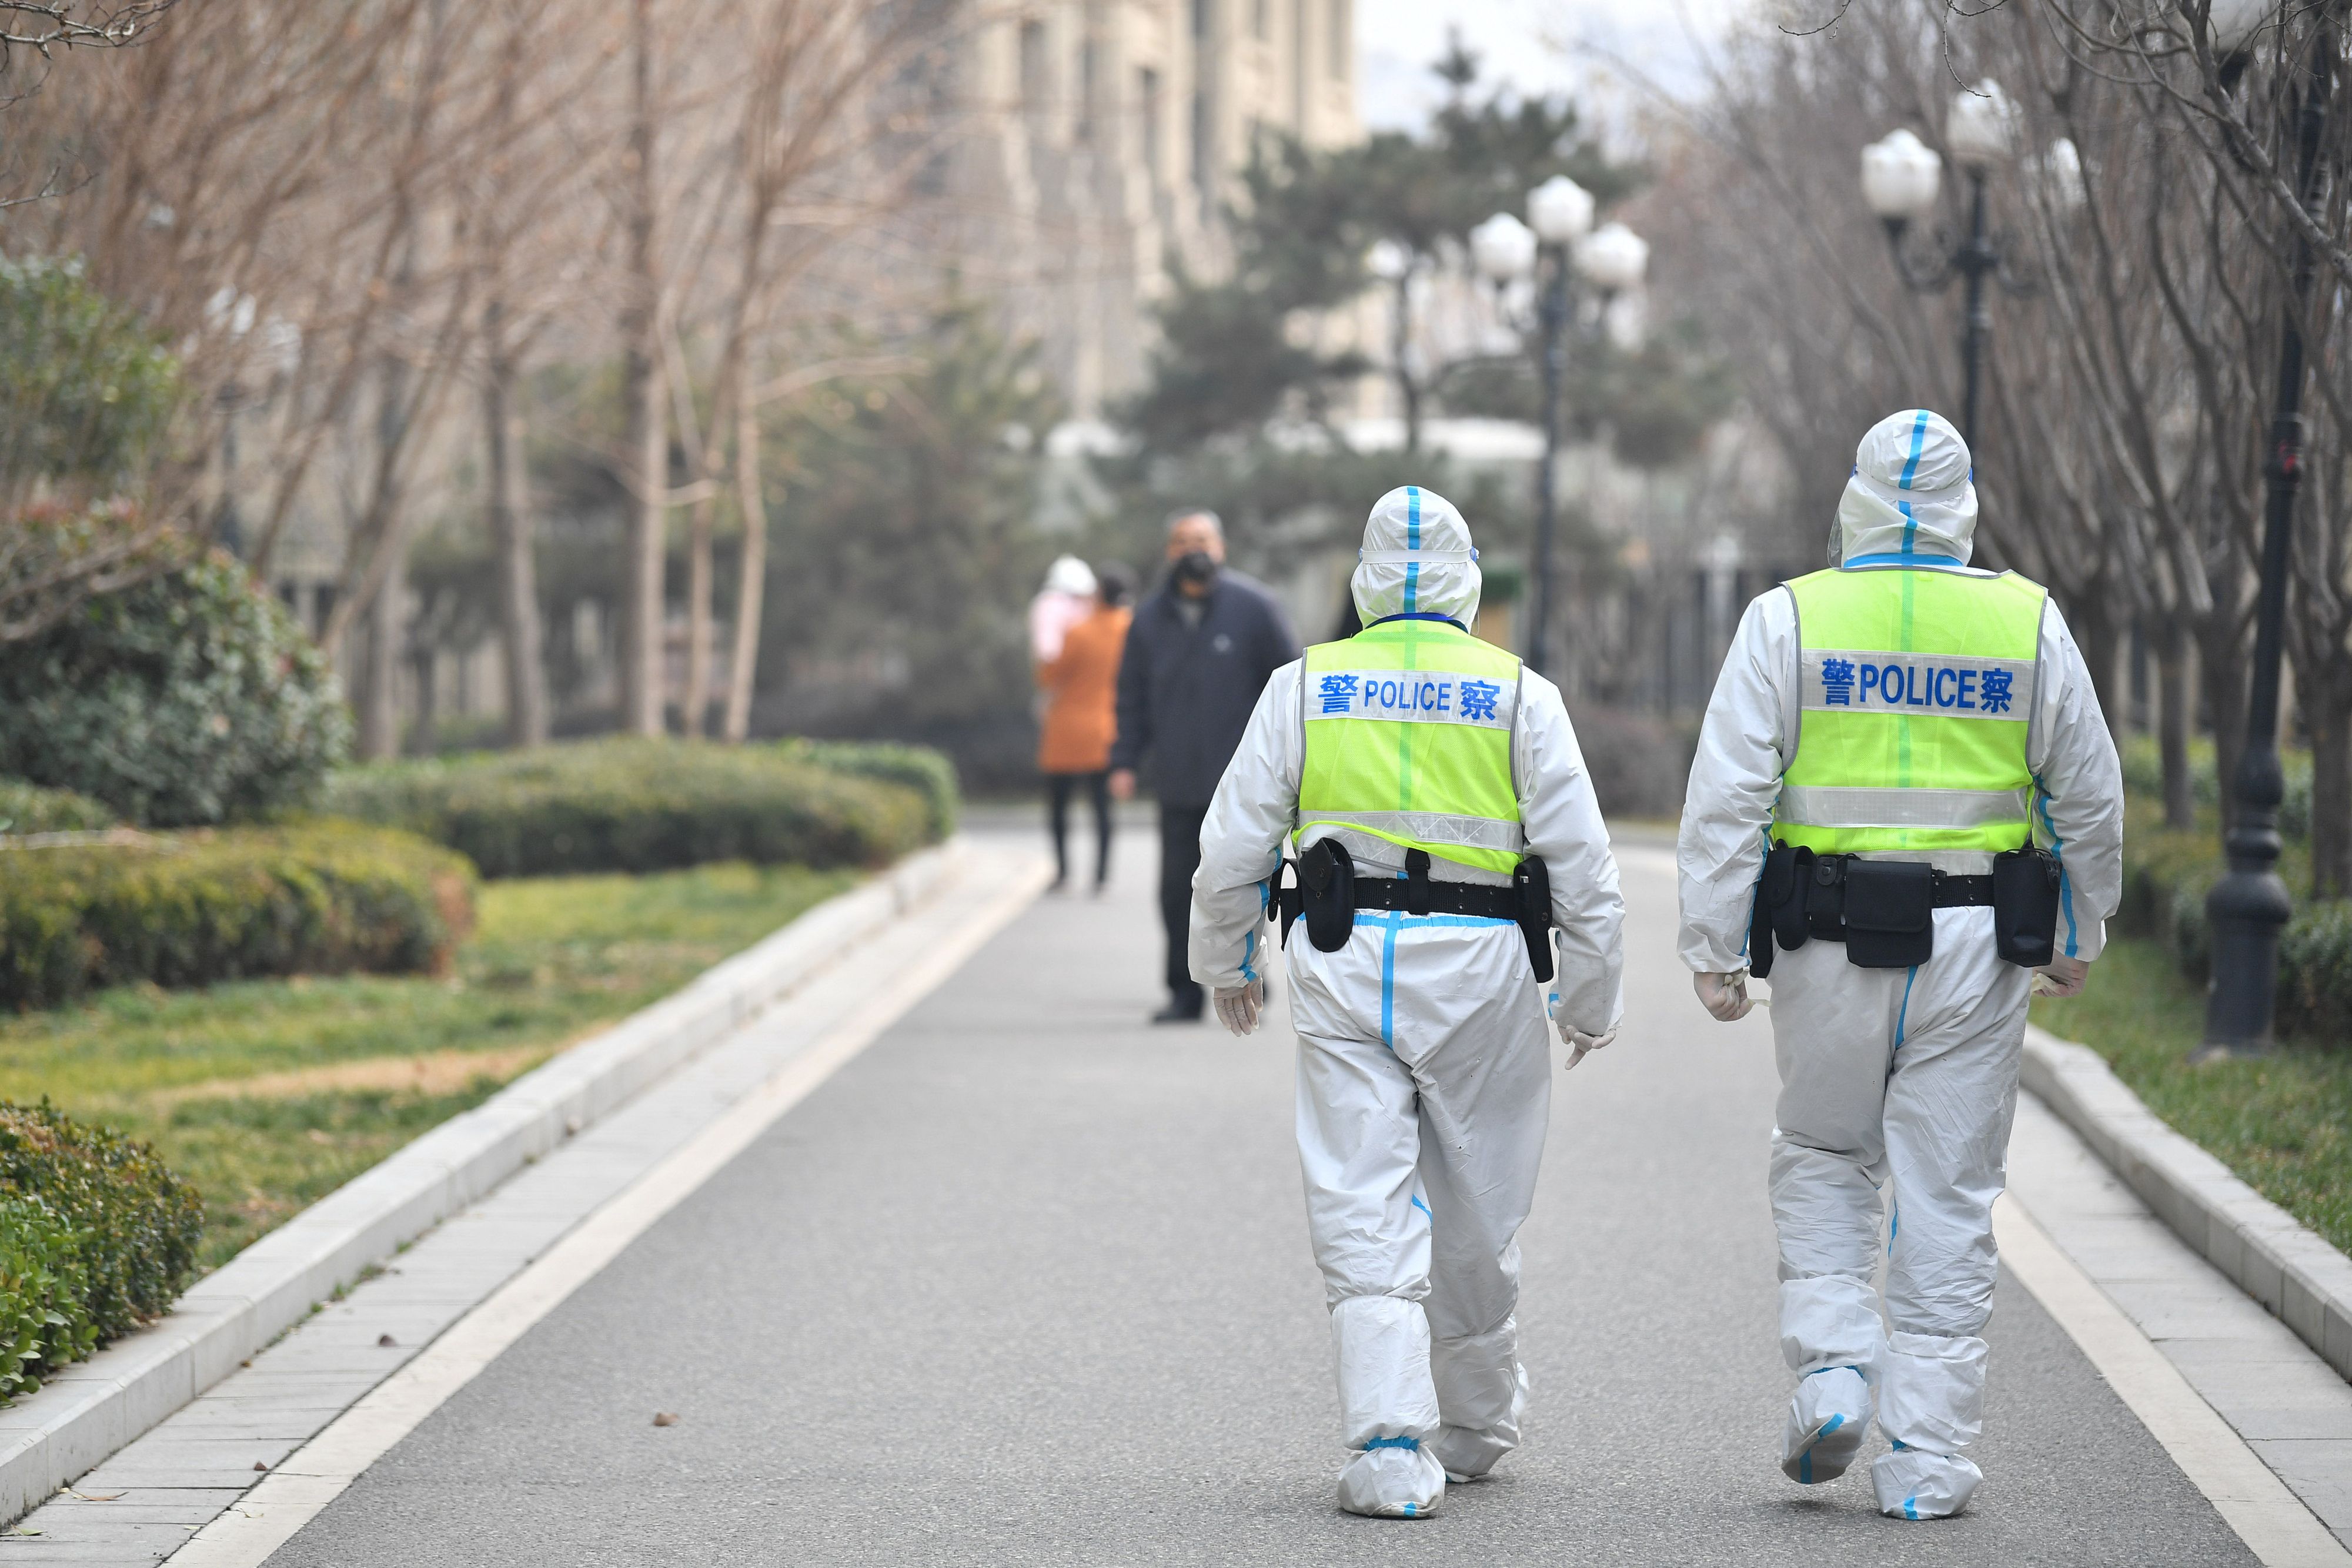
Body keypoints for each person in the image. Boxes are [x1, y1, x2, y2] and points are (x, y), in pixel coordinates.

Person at [1676, 409, 2123, 1522]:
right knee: (1949, 1190)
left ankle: (1833, 1372)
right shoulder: (2027, 623)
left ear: (1856, 500)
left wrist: (1715, 944)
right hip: (1979, 946)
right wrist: (2081, 927)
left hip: (1825, 940)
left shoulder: (1792, 617)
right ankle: (1926, 1461)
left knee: (1826, 1149)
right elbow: (2089, 792)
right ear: (1966, 508)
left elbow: (1730, 792)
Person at [1191, 486, 1625, 1519]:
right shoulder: (1520, 693)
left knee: (1360, 1199)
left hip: (1346, 963)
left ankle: (1389, 1445)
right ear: (1468, 580)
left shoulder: (1307, 687)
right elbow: (1586, 870)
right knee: (1480, 1203)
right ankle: (1473, 1425)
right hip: (1485, 974)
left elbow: (1230, 849)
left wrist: (1230, 962)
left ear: (1365, 579)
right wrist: (1591, 1001)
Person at [1110, 511, 1299, 1023]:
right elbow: (1130, 697)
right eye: (1182, 541)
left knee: (1250, 880)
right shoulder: (1148, 620)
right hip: (1177, 780)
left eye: (1202, 539)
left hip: (1245, 785)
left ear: (1220, 548)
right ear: (1169, 551)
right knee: (1177, 889)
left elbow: (1289, 687)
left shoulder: (1255, 608)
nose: (1193, 548)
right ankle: (1184, 991)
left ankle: (1249, 970)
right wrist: (1124, 759)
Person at [1035, 562, 1134, 894]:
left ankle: (1063, 873)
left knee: (1060, 804)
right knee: (1103, 808)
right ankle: (1102, 877)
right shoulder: (1132, 629)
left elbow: (1051, 676)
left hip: (1068, 729)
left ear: (1098, 595)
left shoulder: (1079, 632)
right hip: (1108, 728)